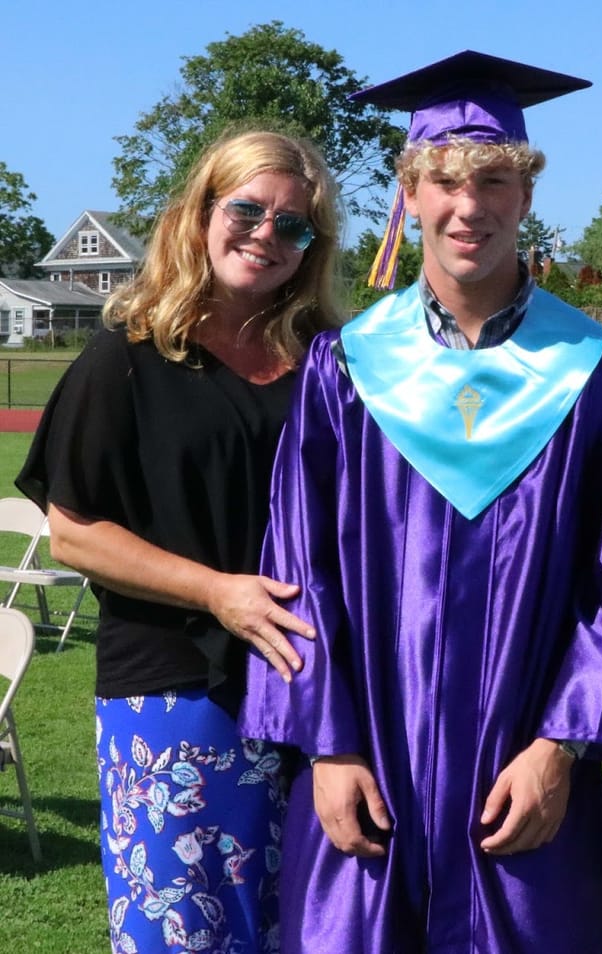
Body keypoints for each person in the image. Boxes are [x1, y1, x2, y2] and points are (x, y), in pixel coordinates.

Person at [238, 50, 602, 954]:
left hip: (523, 783)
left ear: (526, 197)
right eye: (443, 182)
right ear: (408, 196)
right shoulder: (345, 372)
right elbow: (298, 572)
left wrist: (561, 748)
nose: (468, 206)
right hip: (369, 772)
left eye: (492, 181)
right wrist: (327, 747)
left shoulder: (601, 377)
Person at [16, 129, 341, 954]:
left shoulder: (326, 365)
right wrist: (217, 592)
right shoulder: (126, 356)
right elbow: (74, 534)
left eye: (293, 226)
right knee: (183, 931)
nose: (266, 235)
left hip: (309, 694)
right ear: (200, 214)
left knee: (303, 929)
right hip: (177, 690)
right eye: (247, 211)